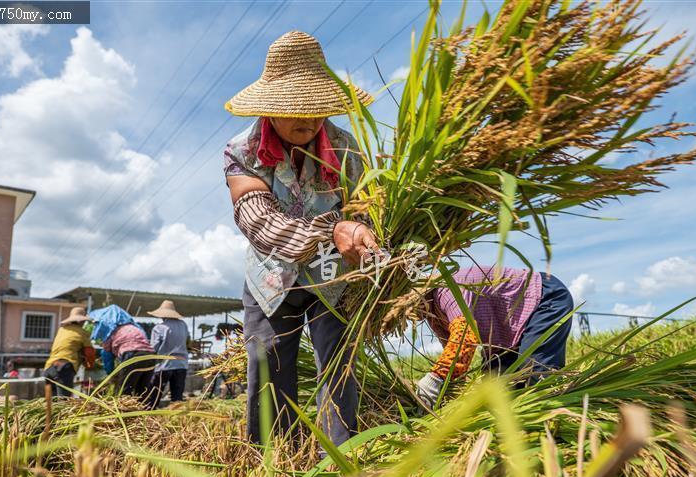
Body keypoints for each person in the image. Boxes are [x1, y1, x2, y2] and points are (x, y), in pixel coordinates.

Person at [223, 31, 380, 446]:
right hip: (271, 278)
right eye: (295, 109)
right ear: (270, 108)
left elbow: (363, 210)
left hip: (333, 277)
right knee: (267, 368)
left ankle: (341, 462)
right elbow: (259, 221)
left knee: (339, 369)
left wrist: (362, 227)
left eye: (316, 110)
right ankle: (273, 465)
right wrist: (331, 228)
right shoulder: (242, 152)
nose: (307, 120)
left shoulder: (348, 149)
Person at [416, 265, 574, 409]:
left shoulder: (446, 289)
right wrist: (448, 392)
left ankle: (555, 419)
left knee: (537, 373)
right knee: (495, 392)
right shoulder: (432, 314)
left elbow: (465, 338)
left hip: (545, 299)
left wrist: (435, 379)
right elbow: (454, 352)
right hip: (505, 337)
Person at [89, 304, 156, 403]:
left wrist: (111, 374)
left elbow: (107, 357)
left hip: (132, 356)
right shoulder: (134, 327)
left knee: (125, 390)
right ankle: (143, 414)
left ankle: (123, 415)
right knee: (142, 391)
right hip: (150, 356)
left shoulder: (111, 332)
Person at [145, 300, 189, 409]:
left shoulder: (159, 328)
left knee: (154, 396)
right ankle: (177, 419)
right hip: (181, 364)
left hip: (164, 366)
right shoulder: (183, 325)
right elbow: (187, 342)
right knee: (177, 398)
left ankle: (150, 416)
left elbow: (153, 348)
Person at [43, 307, 96, 397]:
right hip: (63, 368)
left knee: (51, 402)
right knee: (63, 401)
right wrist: (90, 365)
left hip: (49, 368)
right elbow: (89, 353)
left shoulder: (62, 330)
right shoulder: (82, 333)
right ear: (81, 321)